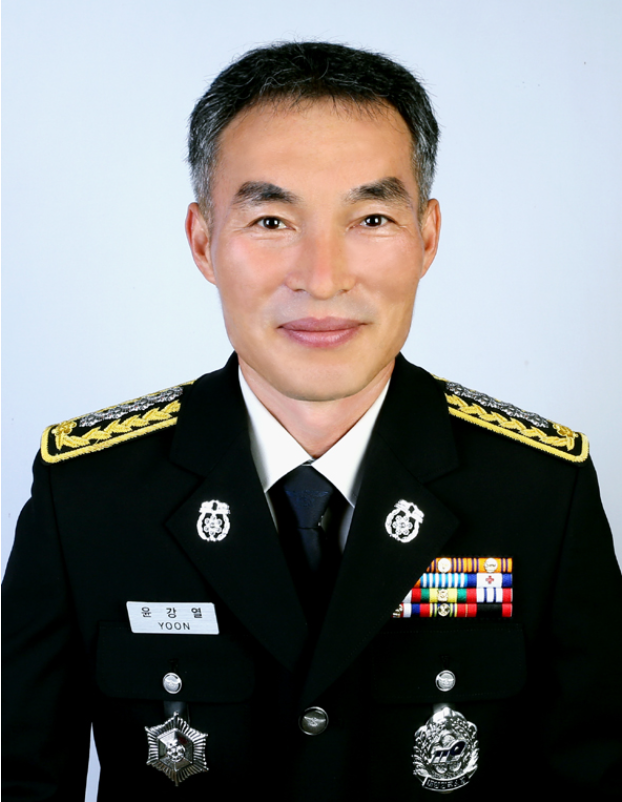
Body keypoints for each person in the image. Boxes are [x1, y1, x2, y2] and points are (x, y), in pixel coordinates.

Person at [3, 42, 621, 801]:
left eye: (370, 218)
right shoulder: (89, 496)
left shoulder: (539, 494)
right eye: (271, 219)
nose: (322, 278)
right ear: (202, 241)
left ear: (427, 237)